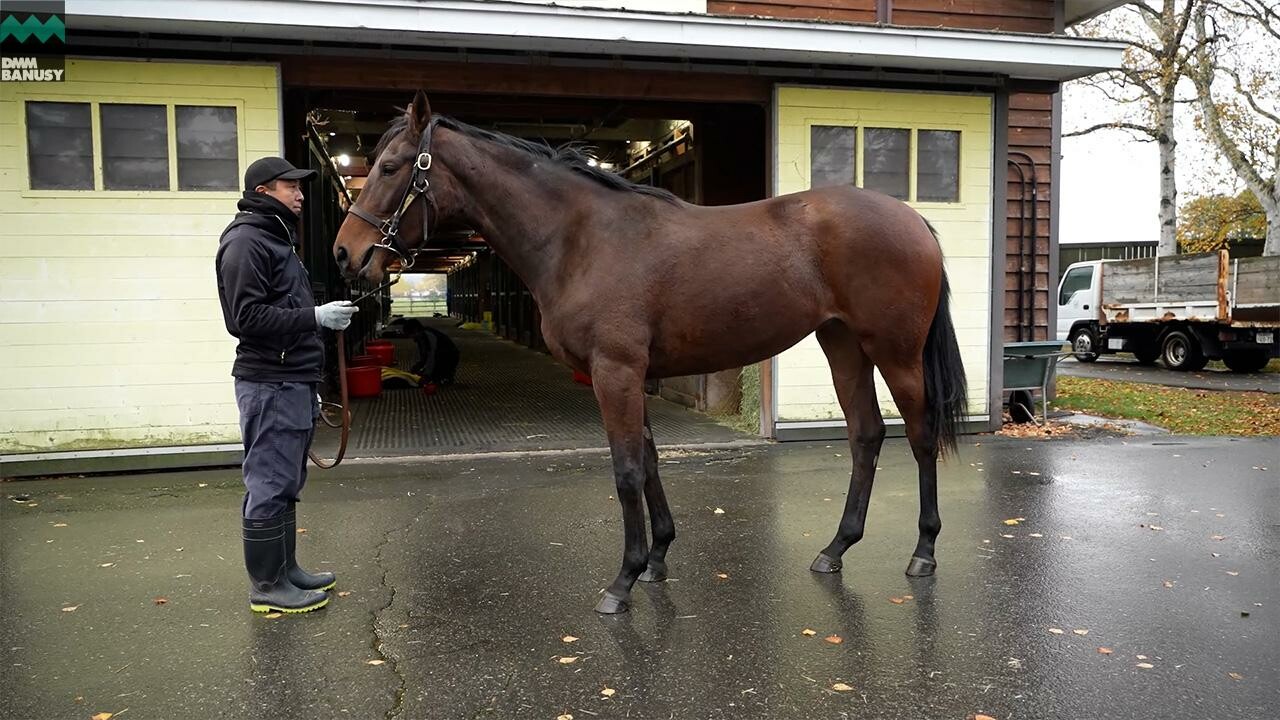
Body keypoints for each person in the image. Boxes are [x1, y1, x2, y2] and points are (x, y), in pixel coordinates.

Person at [215, 157, 358, 614]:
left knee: (287, 480)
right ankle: (267, 587)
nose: (299, 195)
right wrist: (315, 316)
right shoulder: (246, 243)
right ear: (262, 191)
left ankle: (286, 569)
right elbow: (245, 318)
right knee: (269, 482)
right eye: (288, 187)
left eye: (298, 188)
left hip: (290, 380)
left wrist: (308, 381)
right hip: (270, 383)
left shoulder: (277, 240)